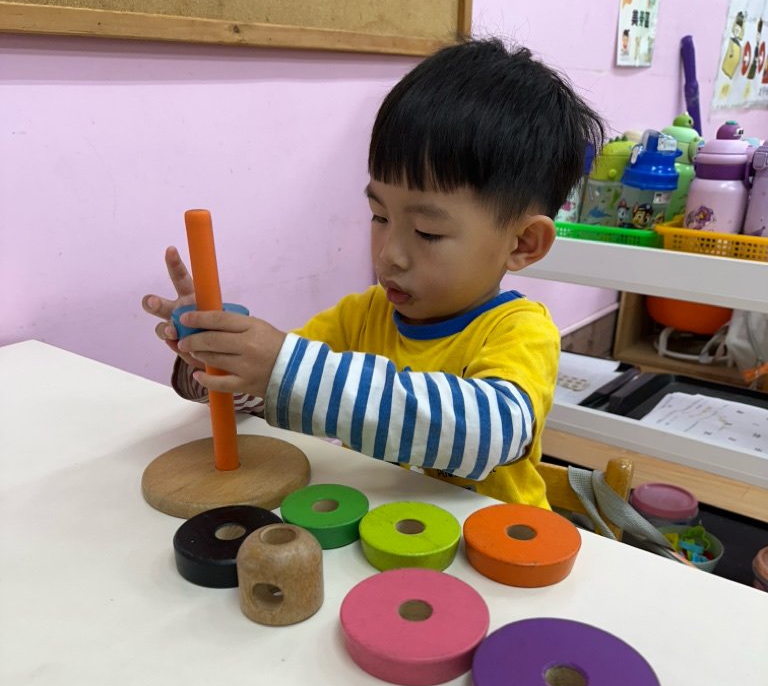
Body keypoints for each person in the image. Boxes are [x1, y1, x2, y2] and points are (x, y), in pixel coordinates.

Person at [143, 38, 604, 507]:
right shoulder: (362, 315)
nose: (389, 255)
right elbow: (276, 391)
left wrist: (283, 367)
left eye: (427, 232)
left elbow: (487, 436)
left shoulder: (520, 332)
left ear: (523, 243)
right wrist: (218, 360)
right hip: (377, 528)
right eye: (379, 217)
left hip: (488, 543)